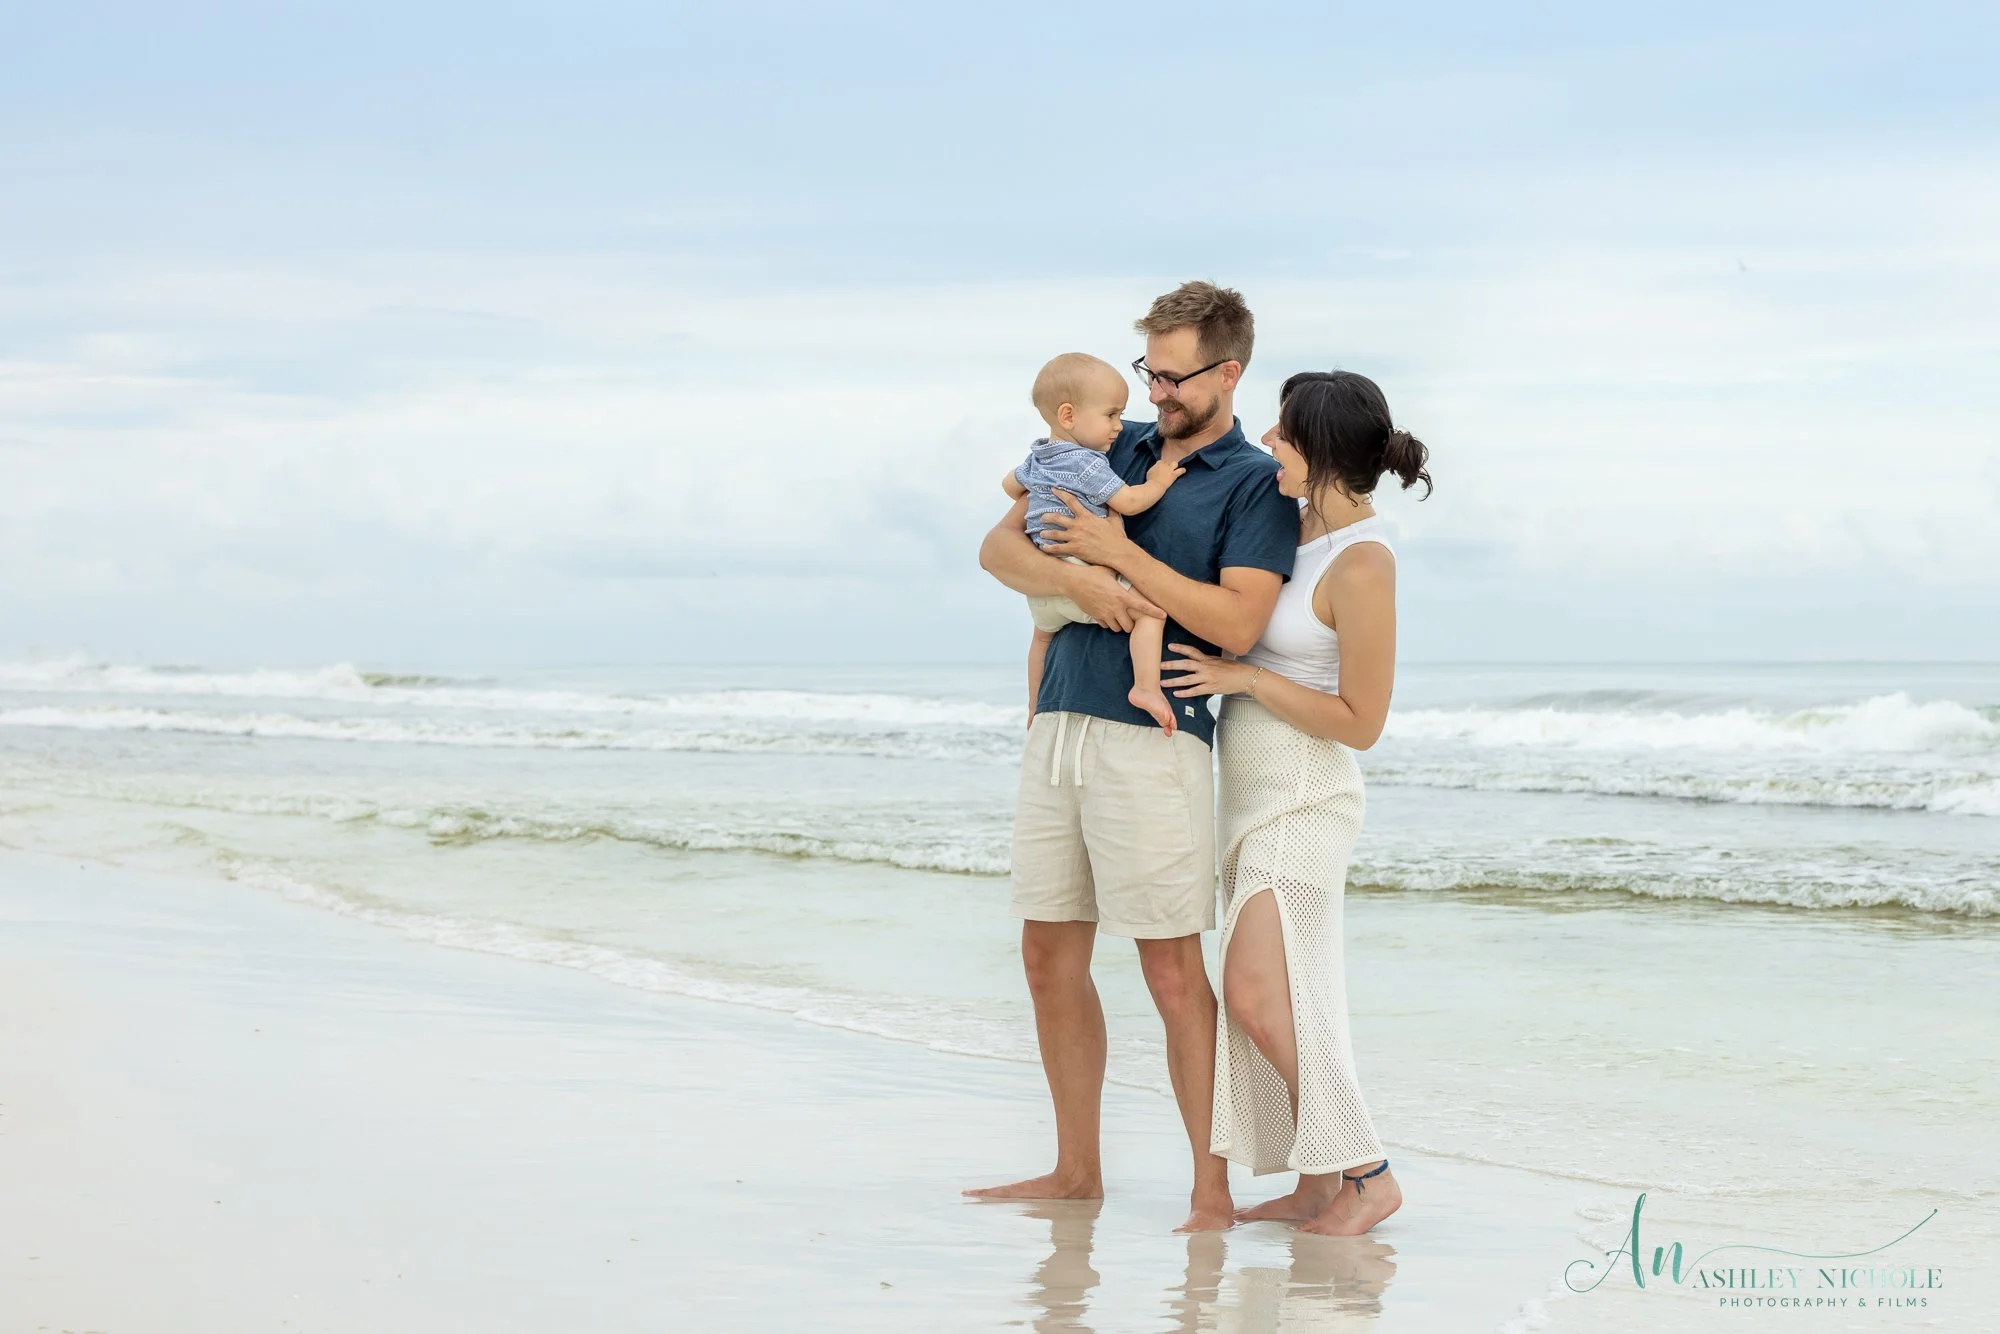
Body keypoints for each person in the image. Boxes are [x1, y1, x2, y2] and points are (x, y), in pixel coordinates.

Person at [964, 281, 1299, 1233]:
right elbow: (998, 550)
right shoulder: (1114, 444)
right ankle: (1076, 1171)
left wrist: (1118, 560)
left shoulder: (1251, 483)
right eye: (1146, 371)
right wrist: (1087, 584)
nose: (1154, 392)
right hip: (1059, 721)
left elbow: (1236, 619)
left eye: (1172, 374)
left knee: (1168, 970)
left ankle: (1211, 1190)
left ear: (1228, 372)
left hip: (1158, 742)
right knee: (1045, 954)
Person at [1158, 369, 1432, 1236]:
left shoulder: (1364, 563)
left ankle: (1370, 1172)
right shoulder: (1297, 532)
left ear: (1314, 450)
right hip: (1251, 797)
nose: (1268, 444)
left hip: (1307, 799)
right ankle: (1320, 1184)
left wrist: (1245, 678)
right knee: (1290, 998)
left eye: (1281, 434)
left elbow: (1363, 721)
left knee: (1253, 995)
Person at [1003, 352, 1187, 733]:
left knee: (1041, 639)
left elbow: (1009, 485)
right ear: (1068, 416)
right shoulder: (1087, 463)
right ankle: (1146, 688)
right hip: (1083, 569)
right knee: (1151, 614)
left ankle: (1036, 706)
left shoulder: (1038, 456)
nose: (1118, 427)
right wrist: (1160, 480)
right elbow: (1130, 502)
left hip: (1044, 582)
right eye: (1111, 415)